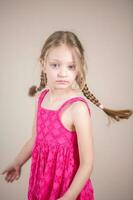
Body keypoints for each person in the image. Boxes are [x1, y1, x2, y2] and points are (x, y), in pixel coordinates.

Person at [1, 31, 133, 200]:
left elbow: (87, 164)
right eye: (55, 65)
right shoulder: (42, 98)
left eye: (70, 66)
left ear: (78, 67)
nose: (63, 73)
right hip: (42, 183)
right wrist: (18, 162)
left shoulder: (77, 108)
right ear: (43, 63)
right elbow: (36, 138)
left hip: (68, 189)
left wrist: (68, 197)